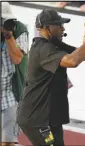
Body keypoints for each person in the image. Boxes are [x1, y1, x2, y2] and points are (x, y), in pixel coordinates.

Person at [16, 9, 85, 146]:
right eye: (58, 25)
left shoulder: (54, 44)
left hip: (48, 116)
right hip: (37, 119)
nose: (63, 28)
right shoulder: (43, 49)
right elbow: (73, 61)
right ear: (46, 28)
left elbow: (79, 55)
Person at [1, 2, 29, 146]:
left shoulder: (19, 29)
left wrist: (8, 35)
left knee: (8, 141)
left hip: (10, 93)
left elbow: (17, 58)